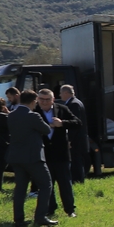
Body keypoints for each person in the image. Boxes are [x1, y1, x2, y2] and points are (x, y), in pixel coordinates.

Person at [7, 91, 55, 227]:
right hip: (33, 157)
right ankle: (40, 216)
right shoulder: (33, 116)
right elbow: (46, 130)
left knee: (20, 188)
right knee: (46, 184)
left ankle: (19, 220)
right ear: (33, 101)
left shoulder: (12, 115)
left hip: (16, 156)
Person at [33, 88, 80, 219]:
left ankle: (70, 209)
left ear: (53, 99)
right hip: (43, 154)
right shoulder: (34, 111)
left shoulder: (62, 109)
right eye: (41, 99)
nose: (44, 102)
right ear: (37, 99)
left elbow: (77, 123)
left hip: (61, 154)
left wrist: (62, 123)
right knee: (47, 184)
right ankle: (50, 209)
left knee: (65, 183)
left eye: (47, 99)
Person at [60, 84, 90, 183]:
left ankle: (78, 180)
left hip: (76, 137)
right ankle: (78, 179)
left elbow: (75, 124)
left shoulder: (74, 104)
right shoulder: (77, 102)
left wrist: (69, 139)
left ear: (65, 93)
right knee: (77, 159)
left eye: (61, 93)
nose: (60, 96)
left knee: (76, 160)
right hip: (79, 137)